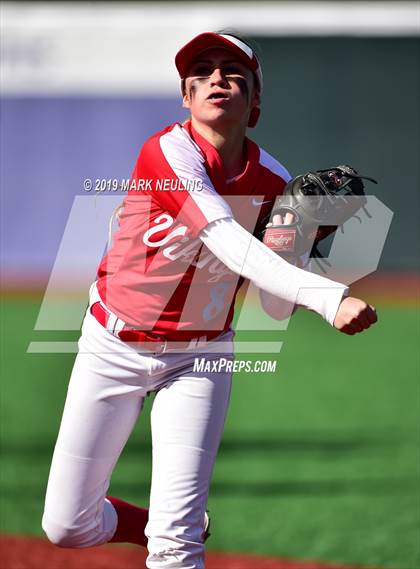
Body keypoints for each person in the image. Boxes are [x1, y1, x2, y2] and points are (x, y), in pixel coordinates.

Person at [41, 32, 377, 569]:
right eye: (202, 71)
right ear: (186, 96)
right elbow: (223, 236)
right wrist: (327, 295)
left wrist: (300, 243)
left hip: (199, 356)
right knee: (67, 525)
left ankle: (176, 529)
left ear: (256, 102)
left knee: (176, 546)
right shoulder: (166, 151)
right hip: (111, 345)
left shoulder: (275, 182)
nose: (217, 77)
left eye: (233, 71)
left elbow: (273, 306)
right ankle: (167, 522)